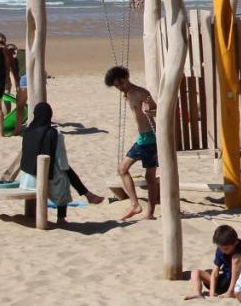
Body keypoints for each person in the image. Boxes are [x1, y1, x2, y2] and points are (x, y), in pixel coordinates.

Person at [18, 102, 105, 224]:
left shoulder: (27, 132)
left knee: (63, 171)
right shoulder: (54, 134)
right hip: (43, 179)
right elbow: (62, 162)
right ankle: (61, 218)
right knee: (64, 177)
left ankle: (88, 194)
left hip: (26, 179)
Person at [104, 65, 159, 221]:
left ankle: (150, 213)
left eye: (119, 84)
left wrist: (150, 111)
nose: (118, 88)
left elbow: (158, 111)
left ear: (125, 78)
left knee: (150, 177)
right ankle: (135, 205)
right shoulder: (127, 94)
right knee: (122, 169)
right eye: (115, 86)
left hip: (151, 138)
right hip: (142, 138)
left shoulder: (141, 93)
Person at [186, 224, 241, 300]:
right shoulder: (220, 249)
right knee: (196, 272)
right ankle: (197, 293)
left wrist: (230, 291)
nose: (223, 251)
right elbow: (215, 272)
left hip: (239, 283)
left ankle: (231, 292)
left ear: (235, 243)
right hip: (224, 281)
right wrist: (212, 293)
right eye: (220, 248)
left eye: (226, 249)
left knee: (235, 259)